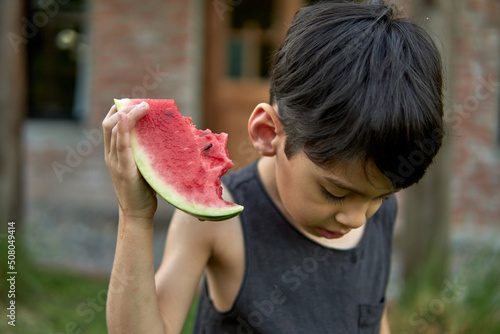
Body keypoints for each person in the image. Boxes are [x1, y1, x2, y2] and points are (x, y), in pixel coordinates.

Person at [102, 1, 444, 333]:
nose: (357, 219)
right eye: (334, 191)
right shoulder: (217, 223)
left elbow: (373, 319)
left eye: (380, 197)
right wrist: (134, 216)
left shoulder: (380, 216)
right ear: (268, 133)